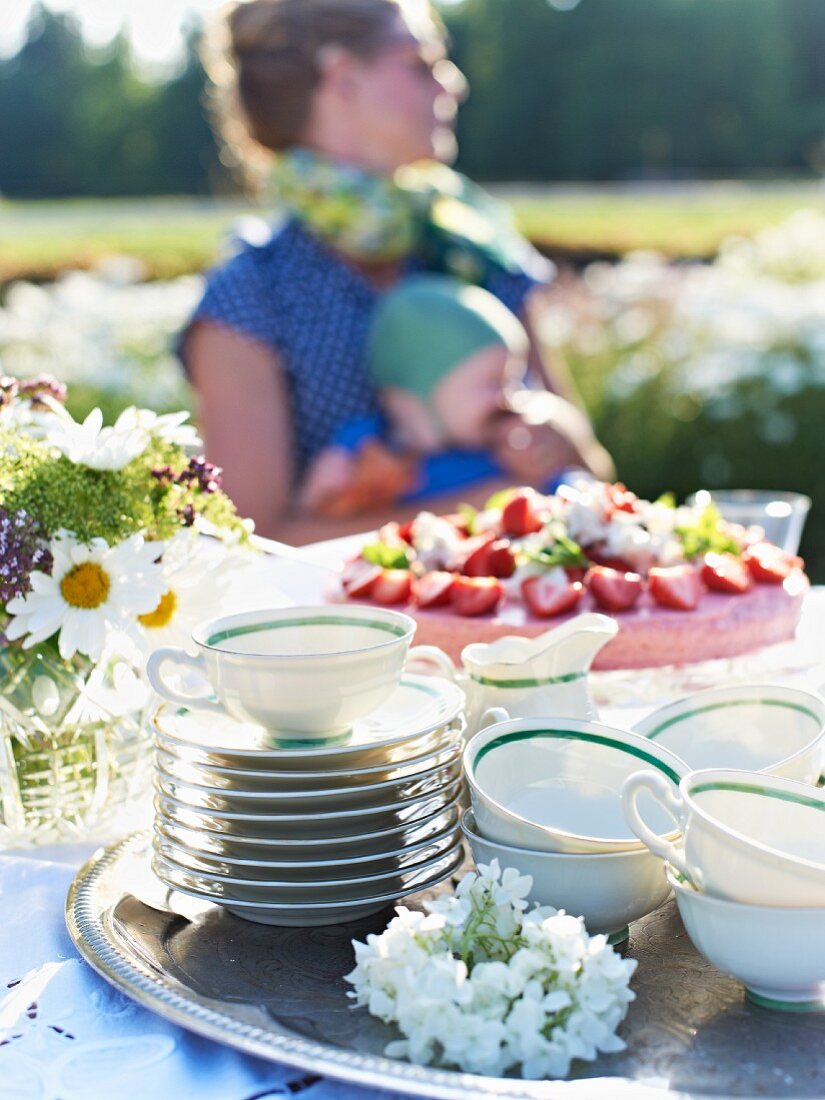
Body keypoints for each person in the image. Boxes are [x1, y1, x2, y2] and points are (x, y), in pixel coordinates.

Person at [182, 0, 613, 542]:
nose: (452, 85)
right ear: (342, 77)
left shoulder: (477, 249)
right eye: (421, 62)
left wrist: (561, 437)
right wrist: (498, 505)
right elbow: (249, 542)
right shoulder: (252, 296)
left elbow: (596, 474)